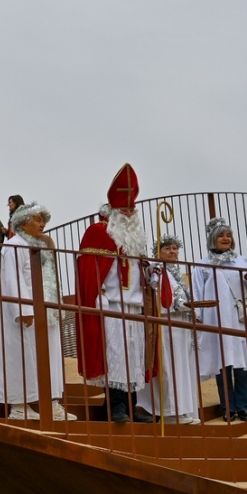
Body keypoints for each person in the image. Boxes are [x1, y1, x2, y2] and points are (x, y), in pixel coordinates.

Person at [76, 164, 153, 423]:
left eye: (131, 210)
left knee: (133, 358)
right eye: (124, 210)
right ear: (113, 210)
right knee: (115, 357)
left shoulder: (135, 238)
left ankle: (131, 406)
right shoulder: (99, 232)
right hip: (112, 305)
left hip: (134, 307)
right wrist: (98, 295)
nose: (129, 214)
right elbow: (90, 270)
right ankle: (115, 407)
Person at [0, 202, 75, 421]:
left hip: (46, 312)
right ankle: (19, 405)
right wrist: (23, 309)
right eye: (38, 220)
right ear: (23, 223)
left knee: (50, 357)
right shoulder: (14, 245)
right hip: (25, 313)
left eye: (43, 220)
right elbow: (12, 279)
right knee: (22, 356)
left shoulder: (40, 246)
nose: (42, 224)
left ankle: (52, 403)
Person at [193, 217, 247, 422]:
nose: (225, 238)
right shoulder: (202, 265)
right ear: (212, 238)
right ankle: (227, 407)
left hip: (241, 319)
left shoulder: (242, 261)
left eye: (228, 235)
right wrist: (198, 318)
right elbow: (197, 294)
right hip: (217, 319)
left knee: (243, 362)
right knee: (223, 363)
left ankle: (243, 406)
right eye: (221, 235)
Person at [135, 235, 203, 425]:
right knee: (170, 367)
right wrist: (183, 306)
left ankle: (184, 409)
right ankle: (171, 412)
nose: (172, 252)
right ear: (158, 252)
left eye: (175, 248)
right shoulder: (157, 270)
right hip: (167, 324)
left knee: (182, 368)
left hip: (181, 326)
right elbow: (161, 296)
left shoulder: (175, 273)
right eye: (167, 248)